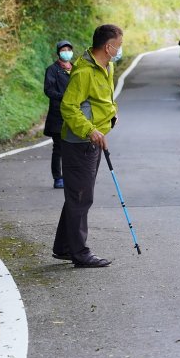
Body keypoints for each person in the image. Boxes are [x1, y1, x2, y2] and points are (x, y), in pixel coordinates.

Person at [52, 24, 123, 268]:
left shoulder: (107, 66)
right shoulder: (84, 71)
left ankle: (63, 247)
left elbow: (103, 100)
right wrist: (89, 130)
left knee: (76, 195)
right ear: (108, 46)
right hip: (80, 142)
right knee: (81, 197)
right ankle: (79, 253)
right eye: (119, 46)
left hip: (95, 140)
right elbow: (68, 107)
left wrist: (111, 115)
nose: (120, 50)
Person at [43, 40, 75, 189]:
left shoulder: (76, 69)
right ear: (58, 52)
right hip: (58, 114)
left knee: (74, 147)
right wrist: (64, 97)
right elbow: (48, 90)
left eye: (69, 49)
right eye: (64, 50)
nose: (66, 52)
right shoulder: (52, 70)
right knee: (59, 148)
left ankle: (72, 176)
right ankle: (58, 178)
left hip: (75, 114)